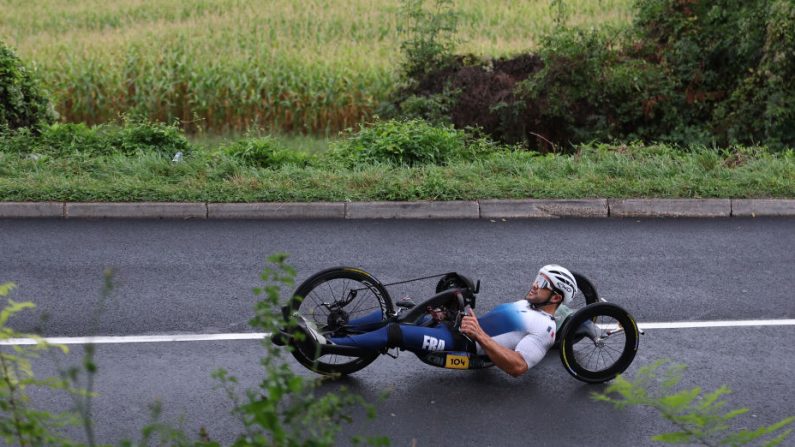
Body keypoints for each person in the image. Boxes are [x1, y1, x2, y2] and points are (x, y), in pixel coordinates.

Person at [292, 264, 578, 378]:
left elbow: (517, 366)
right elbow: (493, 324)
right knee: (389, 315)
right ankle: (327, 330)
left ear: (555, 298)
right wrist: (454, 314)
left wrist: (478, 334)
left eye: (542, 283)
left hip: (458, 344)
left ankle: (326, 345)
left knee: (395, 332)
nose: (533, 284)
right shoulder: (524, 305)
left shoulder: (545, 328)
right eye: (537, 278)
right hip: (456, 327)